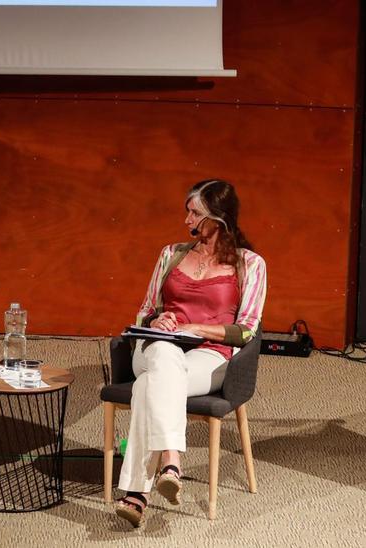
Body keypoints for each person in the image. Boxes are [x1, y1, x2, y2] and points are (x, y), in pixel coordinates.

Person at [112, 179, 267, 527]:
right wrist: (158, 317)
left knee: (147, 388)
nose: (187, 220)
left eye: (194, 213)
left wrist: (196, 329)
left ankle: (136, 495)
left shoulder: (250, 264)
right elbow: (144, 310)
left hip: (209, 355)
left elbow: (247, 329)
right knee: (164, 355)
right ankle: (171, 460)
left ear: (219, 218)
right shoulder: (171, 254)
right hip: (155, 348)